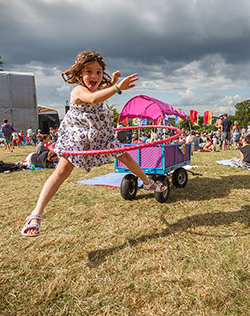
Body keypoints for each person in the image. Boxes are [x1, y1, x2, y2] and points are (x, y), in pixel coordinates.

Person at [21, 50, 166, 237]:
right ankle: (35, 215)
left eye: (98, 72)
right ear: (80, 73)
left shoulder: (97, 87)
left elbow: (100, 92)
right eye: (89, 71)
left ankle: (148, 182)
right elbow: (92, 99)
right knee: (62, 171)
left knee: (125, 155)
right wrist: (116, 87)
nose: (94, 76)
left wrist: (113, 82)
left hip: (98, 134)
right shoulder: (79, 90)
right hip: (78, 136)